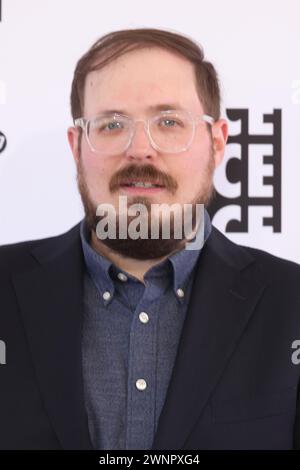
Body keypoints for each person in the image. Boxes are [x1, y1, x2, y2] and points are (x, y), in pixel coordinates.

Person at [0, 27, 299, 451]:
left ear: (217, 144)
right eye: (112, 124)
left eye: (169, 122)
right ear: (77, 147)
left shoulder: (291, 303)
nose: (140, 148)